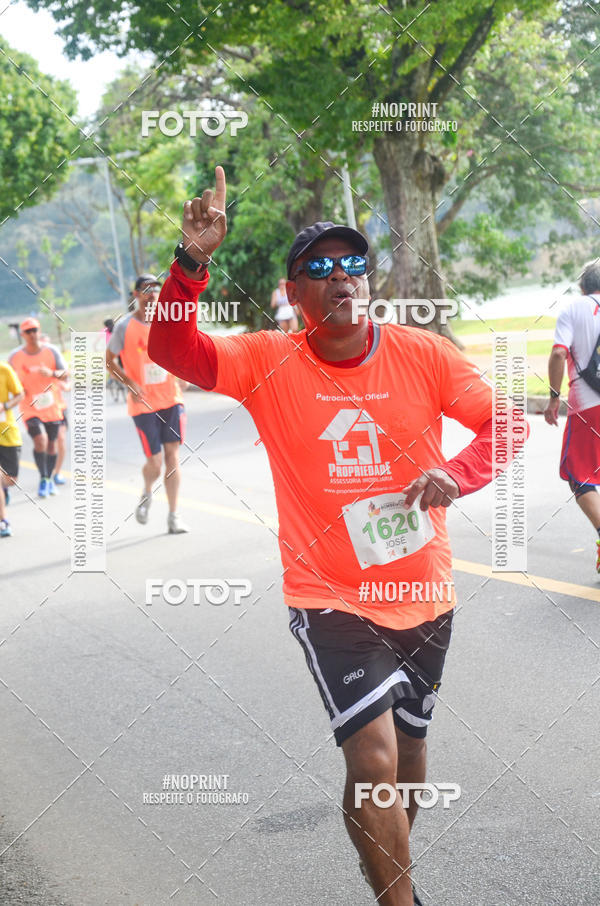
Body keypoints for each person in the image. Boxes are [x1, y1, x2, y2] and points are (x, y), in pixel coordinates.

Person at [148, 167, 527, 906]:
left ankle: (386, 870)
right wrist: (191, 264)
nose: (340, 277)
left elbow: (505, 420)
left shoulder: (423, 353)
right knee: (375, 757)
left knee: (409, 760)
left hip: (423, 588)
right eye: (317, 269)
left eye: (352, 263)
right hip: (328, 596)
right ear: (294, 295)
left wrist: (460, 472)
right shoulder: (268, 360)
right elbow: (173, 352)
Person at [106, 275, 189, 534]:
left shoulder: (169, 321)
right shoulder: (124, 328)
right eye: (146, 290)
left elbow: (182, 350)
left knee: (172, 457)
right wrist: (129, 382)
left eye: (155, 289)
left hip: (171, 398)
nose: (152, 294)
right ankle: (146, 493)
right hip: (142, 404)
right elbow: (109, 361)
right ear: (136, 295)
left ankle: (174, 516)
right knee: (154, 462)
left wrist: (185, 374)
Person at [545, 260, 600, 571]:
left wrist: (554, 398)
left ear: (582, 287)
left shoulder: (573, 309)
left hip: (588, 405)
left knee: (579, 474)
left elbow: (558, 353)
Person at [8, 318, 70, 498]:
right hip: (29, 406)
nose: (32, 334)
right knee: (40, 440)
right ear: (22, 335)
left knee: (52, 443)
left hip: (52, 405)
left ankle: (48, 478)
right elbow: (8, 380)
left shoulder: (51, 351)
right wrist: (17, 389)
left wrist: (51, 373)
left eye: (35, 330)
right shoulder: (15, 356)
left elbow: (66, 374)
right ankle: (43, 478)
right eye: (28, 331)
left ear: (39, 331)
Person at [0, 360, 25, 537]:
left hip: (6, 431)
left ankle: (4, 487)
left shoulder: (4, 369)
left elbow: (20, 394)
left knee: (11, 479)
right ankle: (3, 520)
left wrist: (5, 406)